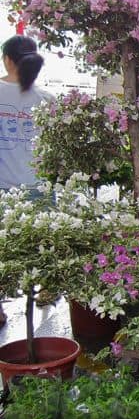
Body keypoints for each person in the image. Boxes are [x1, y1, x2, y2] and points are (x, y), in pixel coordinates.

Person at [0, 35, 51, 327]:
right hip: (38, 188)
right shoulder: (47, 100)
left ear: (7, 59)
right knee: (42, 247)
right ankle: (43, 293)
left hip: (3, 187)